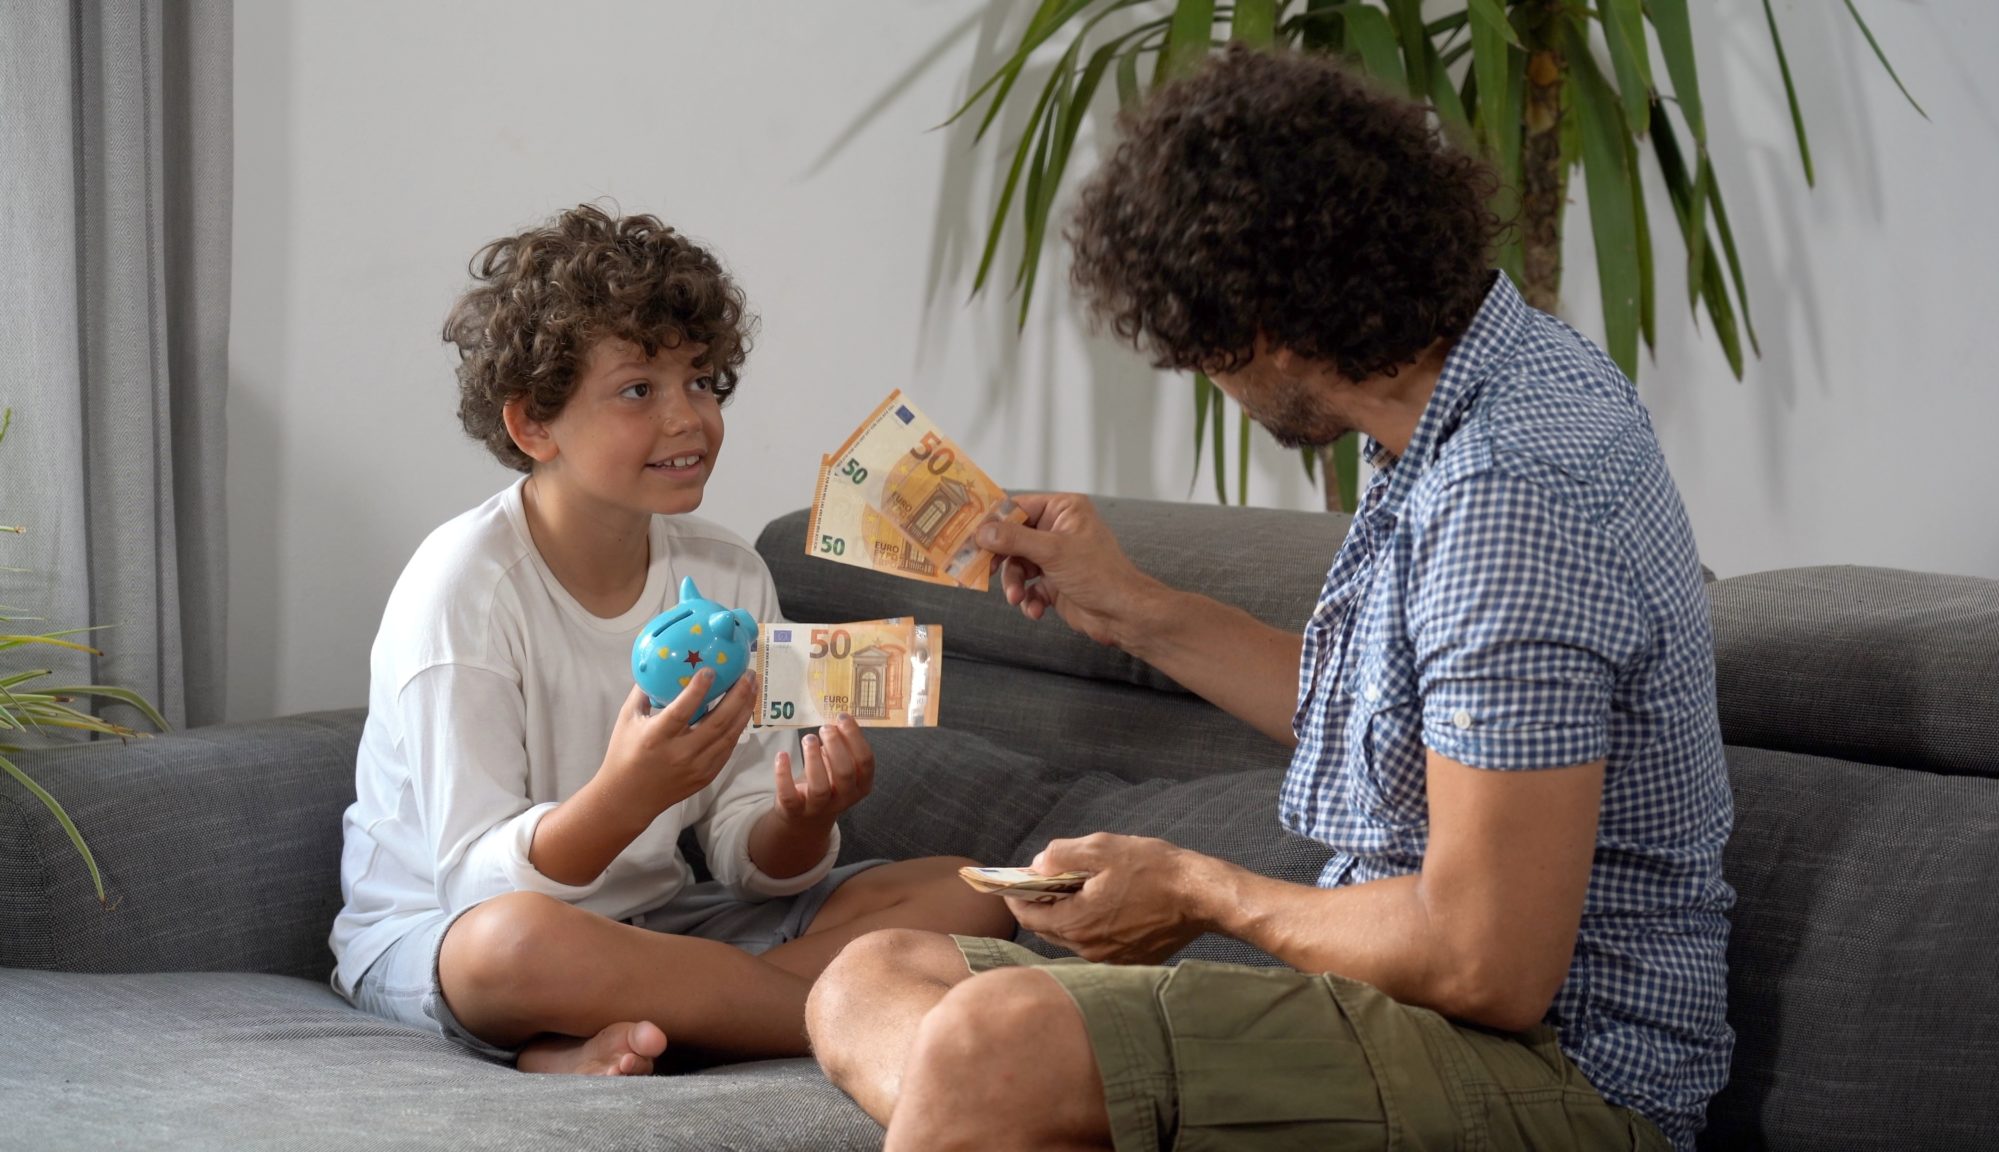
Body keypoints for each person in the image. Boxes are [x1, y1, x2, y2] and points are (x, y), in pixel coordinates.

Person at [806, 46, 1733, 1151]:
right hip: (1402, 1026)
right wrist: (1130, 605)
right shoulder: (1473, 394)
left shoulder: (1507, 494)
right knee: (872, 975)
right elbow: (1400, 727)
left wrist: (1196, 889)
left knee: (990, 1040)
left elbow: (1486, 962)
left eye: (1205, 349)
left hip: (1565, 1079)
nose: (1209, 379)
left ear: (1272, 326)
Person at [328, 204, 1012, 1077]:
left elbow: (743, 851)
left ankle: (641, 1025)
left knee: (967, 894)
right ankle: (821, 1011)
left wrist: (801, 822)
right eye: (639, 390)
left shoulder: (727, 573)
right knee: (511, 948)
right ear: (533, 425)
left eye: (701, 381)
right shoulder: (462, 586)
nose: (690, 419)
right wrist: (626, 793)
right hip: (448, 932)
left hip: (659, 926)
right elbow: (474, 885)